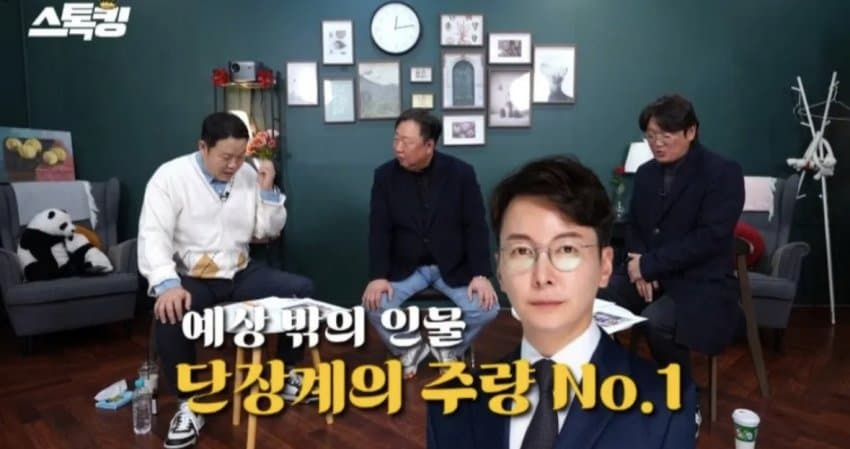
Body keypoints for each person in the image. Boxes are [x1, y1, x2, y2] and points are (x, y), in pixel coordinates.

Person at [427, 156, 698, 449]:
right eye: (521, 251)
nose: (542, 276)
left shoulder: (667, 406)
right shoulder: (451, 408)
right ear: (500, 271)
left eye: (567, 249)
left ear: (605, 266)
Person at [138, 112, 315, 449]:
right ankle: (190, 404)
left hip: (239, 271)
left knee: (300, 290)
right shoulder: (169, 177)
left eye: (240, 156)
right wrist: (167, 285)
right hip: (192, 277)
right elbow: (153, 235)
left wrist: (266, 190)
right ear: (203, 147)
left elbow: (266, 231)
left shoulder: (248, 174)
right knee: (171, 313)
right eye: (226, 157)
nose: (234, 165)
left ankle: (284, 374)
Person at [599, 94, 745, 381]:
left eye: (666, 135)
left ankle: (683, 392)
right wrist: (638, 263)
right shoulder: (645, 173)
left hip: (699, 281)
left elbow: (709, 238)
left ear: (691, 132)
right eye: (651, 136)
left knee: (658, 322)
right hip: (650, 273)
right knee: (594, 300)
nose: (657, 143)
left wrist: (649, 265)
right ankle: (615, 379)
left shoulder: (722, 172)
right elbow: (635, 226)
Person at [361, 108, 500, 378]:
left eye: (406, 142)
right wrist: (378, 276)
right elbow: (379, 230)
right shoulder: (384, 176)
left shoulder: (461, 174)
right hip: (406, 267)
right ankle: (411, 349)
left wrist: (481, 274)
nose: (398, 148)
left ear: (429, 145)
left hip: (453, 266)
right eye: (396, 139)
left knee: (487, 309)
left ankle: (448, 348)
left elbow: (475, 226)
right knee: (374, 305)